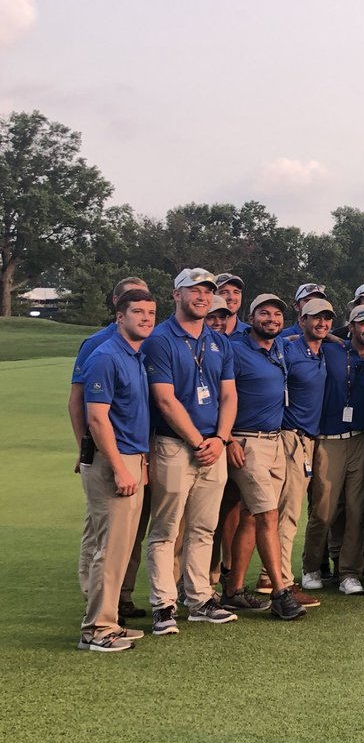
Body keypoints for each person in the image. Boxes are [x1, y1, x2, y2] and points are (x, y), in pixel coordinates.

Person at [142, 268, 238, 635]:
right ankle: (163, 605)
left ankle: (199, 599)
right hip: (174, 445)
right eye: (194, 290)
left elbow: (229, 394)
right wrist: (199, 441)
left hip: (214, 446)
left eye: (207, 291)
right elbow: (165, 400)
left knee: (204, 528)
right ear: (176, 295)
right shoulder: (160, 339)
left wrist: (221, 439)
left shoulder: (218, 341)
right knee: (166, 530)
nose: (201, 297)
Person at [77, 288, 156, 651]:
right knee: (109, 551)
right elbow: (96, 418)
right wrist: (121, 469)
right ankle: (97, 630)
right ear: (120, 316)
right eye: (137, 312)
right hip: (114, 461)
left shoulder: (134, 355)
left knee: (120, 548)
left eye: (151, 313)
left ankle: (108, 621)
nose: (146, 318)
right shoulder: (106, 356)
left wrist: (140, 462)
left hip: (132, 458)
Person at [222, 293, 307, 620]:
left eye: (276, 314)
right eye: (264, 313)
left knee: (250, 516)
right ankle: (280, 592)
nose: (271, 319)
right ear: (251, 317)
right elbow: (220, 396)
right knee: (269, 515)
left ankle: (233, 591)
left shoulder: (280, 347)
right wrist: (228, 438)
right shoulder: (235, 349)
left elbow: (308, 337)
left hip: (274, 441)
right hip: (247, 442)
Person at [300, 304, 364, 597]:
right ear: (351, 327)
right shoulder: (331, 349)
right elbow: (301, 338)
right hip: (329, 438)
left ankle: (349, 572)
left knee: (357, 511)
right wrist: (333, 337)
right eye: (363, 323)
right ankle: (311, 566)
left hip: (360, 439)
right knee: (323, 510)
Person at [262, 297, 333, 607]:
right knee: (287, 513)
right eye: (315, 317)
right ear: (301, 320)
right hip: (291, 437)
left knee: (291, 511)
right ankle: (282, 582)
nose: (321, 323)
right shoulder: (288, 350)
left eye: (326, 318)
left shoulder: (325, 351)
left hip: (310, 439)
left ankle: (272, 576)